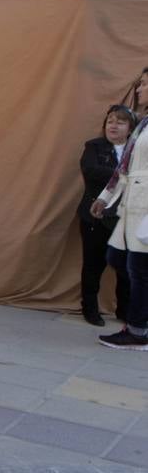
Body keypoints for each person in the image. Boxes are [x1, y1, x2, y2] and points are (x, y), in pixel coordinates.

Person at [92, 74, 148, 349]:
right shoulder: (142, 125)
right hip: (131, 206)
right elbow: (123, 169)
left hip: (146, 207)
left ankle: (138, 330)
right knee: (117, 257)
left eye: (145, 84)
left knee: (139, 269)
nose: (140, 89)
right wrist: (105, 198)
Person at [79, 105, 135, 326]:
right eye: (110, 121)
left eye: (120, 122)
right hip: (96, 216)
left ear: (130, 128)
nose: (113, 125)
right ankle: (90, 309)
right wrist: (124, 176)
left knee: (126, 268)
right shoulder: (94, 146)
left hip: (125, 218)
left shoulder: (136, 149)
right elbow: (90, 170)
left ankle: (125, 310)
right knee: (93, 265)